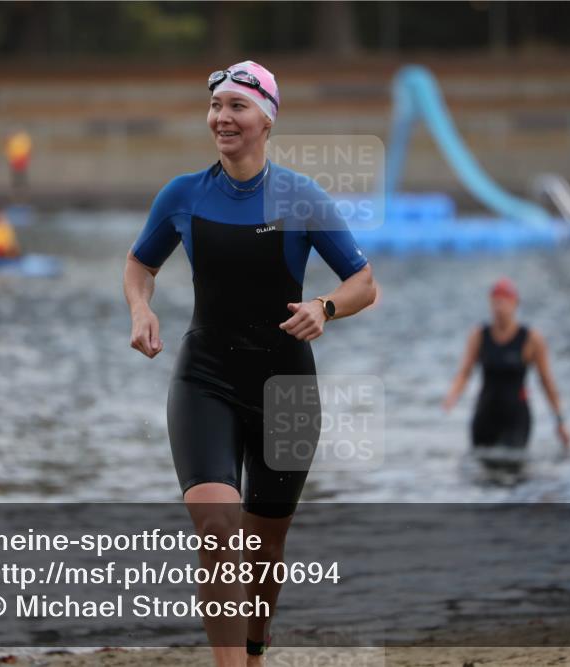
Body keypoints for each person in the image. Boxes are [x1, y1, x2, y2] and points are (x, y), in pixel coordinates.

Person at [123, 61, 376, 667]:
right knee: (217, 532)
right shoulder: (182, 195)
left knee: (264, 548)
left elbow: (363, 282)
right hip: (205, 378)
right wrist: (140, 310)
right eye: (215, 106)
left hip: (286, 389)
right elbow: (140, 266)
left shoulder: (302, 197)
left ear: (266, 118)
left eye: (236, 106)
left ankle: (255, 654)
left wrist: (325, 306)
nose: (221, 117)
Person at [442, 277, 570, 452]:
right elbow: (464, 373)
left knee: (513, 469)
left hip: (516, 418)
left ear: (515, 304)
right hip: (485, 415)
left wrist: (560, 420)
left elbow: (546, 382)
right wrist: (452, 395)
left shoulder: (531, 339)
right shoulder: (479, 336)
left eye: (504, 303)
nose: (499, 308)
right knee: (480, 469)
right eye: (495, 303)